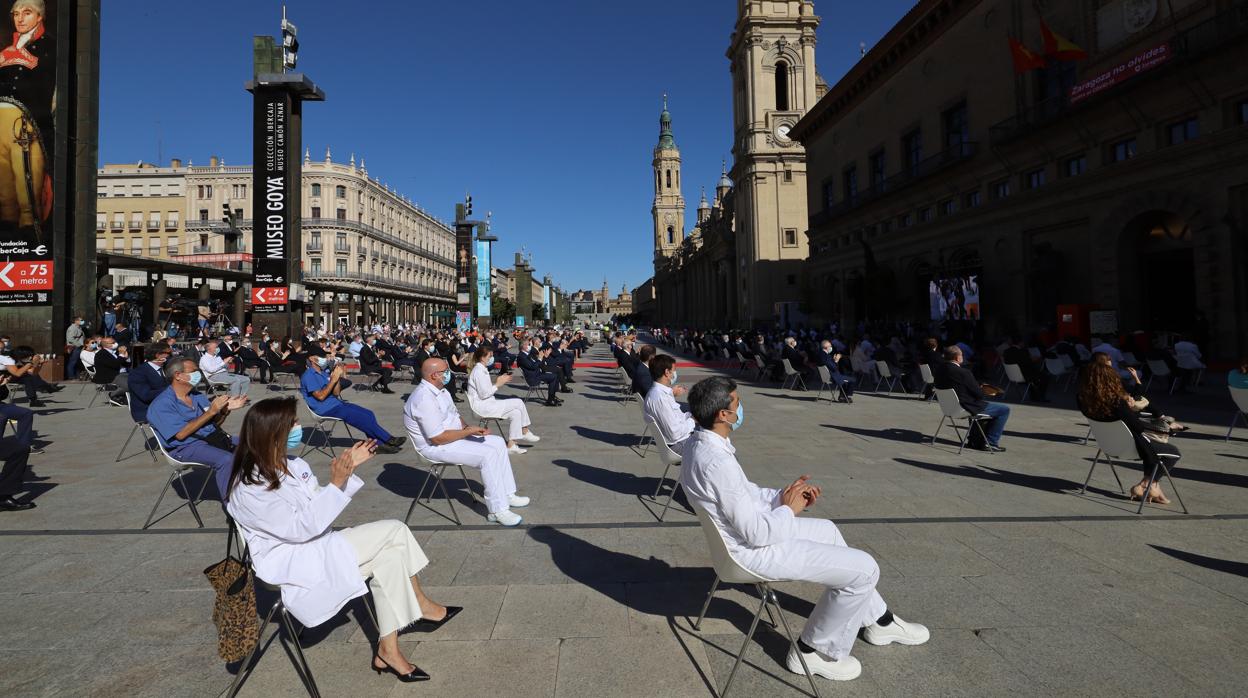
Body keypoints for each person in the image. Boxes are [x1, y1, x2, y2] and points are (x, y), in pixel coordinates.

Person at [679, 376, 928, 682]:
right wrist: (789, 509)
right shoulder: (716, 461)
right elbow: (755, 533)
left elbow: (744, 494)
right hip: (749, 553)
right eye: (738, 402)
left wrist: (781, 496)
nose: (741, 407)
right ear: (724, 415)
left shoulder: (700, 443)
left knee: (828, 531)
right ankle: (811, 652)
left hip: (743, 541)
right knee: (865, 568)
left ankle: (879, 620)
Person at [226, 398, 457, 683]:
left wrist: (346, 472)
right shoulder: (249, 487)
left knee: (391, 558)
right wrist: (337, 482)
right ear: (273, 433)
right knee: (395, 529)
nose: (299, 427)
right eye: (293, 424)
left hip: (318, 542)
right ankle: (420, 604)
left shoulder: (294, 464)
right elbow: (300, 529)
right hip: (291, 558)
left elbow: (318, 505)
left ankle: (388, 649)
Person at [405, 357, 529, 526]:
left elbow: (454, 415)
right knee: (488, 454)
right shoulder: (423, 399)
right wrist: (467, 433)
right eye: (445, 371)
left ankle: (507, 493)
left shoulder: (441, 390)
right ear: (434, 375)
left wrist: (470, 428)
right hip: (435, 447)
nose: (449, 374)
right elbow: (437, 438)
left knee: (498, 442)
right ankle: (497, 510)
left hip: (453, 437)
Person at [1078, 360, 1181, 505]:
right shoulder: (1116, 402)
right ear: (1110, 380)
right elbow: (1138, 427)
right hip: (1131, 448)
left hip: (1106, 446)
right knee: (1173, 452)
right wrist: (1129, 408)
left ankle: (1147, 485)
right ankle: (1149, 485)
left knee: (1152, 447)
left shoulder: (1083, 401)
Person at [147, 358, 248, 496]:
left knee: (254, 444)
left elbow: (212, 425)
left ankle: (254, 491)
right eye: (194, 371)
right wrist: (212, 411)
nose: (198, 374)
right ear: (178, 375)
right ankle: (233, 504)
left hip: (210, 438)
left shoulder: (197, 396)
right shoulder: (161, 404)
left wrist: (224, 411)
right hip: (185, 447)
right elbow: (181, 434)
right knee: (227, 460)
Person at [299, 354, 403, 455]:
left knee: (368, 414)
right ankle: (388, 439)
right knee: (360, 417)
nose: (324, 358)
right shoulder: (309, 375)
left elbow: (336, 393)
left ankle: (378, 445)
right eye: (320, 356)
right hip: (324, 409)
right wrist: (333, 380)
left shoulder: (323, 373)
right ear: (312, 359)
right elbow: (320, 397)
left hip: (335, 404)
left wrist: (336, 378)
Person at [931, 346, 1010, 452]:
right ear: (957, 358)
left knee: (978, 405)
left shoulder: (939, 370)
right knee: (1004, 410)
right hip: (965, 407)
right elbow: (979, 394)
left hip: (948, 408)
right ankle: (991, 443)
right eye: (961, 355)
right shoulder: (964, 372)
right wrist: (986, 390)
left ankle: (974, 440)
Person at [466, 346, 539, 455]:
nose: (492, 358)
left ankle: (511, 445)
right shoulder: (478, 372)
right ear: (482, 358)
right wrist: (498, 384)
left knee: (516, 413)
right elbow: (484, 394)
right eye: (490, 356)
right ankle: (524, 430)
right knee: (518, 402)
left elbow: (485, 389)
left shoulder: (481, 369)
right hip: (483, 407)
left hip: (488, 404)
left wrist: (498, 380)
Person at [643, 355, 694, 454]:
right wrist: (692, 421)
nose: (674, 373)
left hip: (680, 438)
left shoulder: (661, 393)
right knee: (715, 447)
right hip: (678, 444)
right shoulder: (660, 398)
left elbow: (677, 418)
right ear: (667, 372)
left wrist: (691, 416)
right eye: (674, 370)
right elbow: (674, 434)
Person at [128, 345, 171, 423]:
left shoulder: (166, 368)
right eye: (168, 353)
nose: (170, 356)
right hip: (147, 410)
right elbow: (146, 395)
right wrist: (172, 388)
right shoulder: (138, 372)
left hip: (165, 405)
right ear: (158, 355)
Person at [1002, 337, 1049, 403]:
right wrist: (1035, 359)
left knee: (1034, 375)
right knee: (1044, 376)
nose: (1024, 344)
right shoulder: (1022, 351)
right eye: (1023, 342)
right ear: (1020, 343)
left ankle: (1034, 395)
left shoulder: (1006, 351)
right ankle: (1040, 397)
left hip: (1011, 375)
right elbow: (1028, 362)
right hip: (1023, 375)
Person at [517, 340, 560, 407]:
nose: (530, 346)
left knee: (555, 374)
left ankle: (552, 398)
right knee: (553, 377)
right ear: (523, 346)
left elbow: (537, 364)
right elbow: (533, 366)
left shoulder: (527, 354)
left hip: (537, 374)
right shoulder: (521, 356)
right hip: (533, 378)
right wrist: (540, 358)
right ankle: (550, 400)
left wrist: (543, 357)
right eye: (528, 345)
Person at [65, 315, 85, 380]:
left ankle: (76, 375)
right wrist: (78, 344)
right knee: (73, 362)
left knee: (76, 362)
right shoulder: (72, 328)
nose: (82, 321)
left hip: (78, 347)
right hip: (75, 347)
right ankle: (71, 376)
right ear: (76, 321)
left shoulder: (78, 328)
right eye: (81, 320)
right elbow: (70, 339)